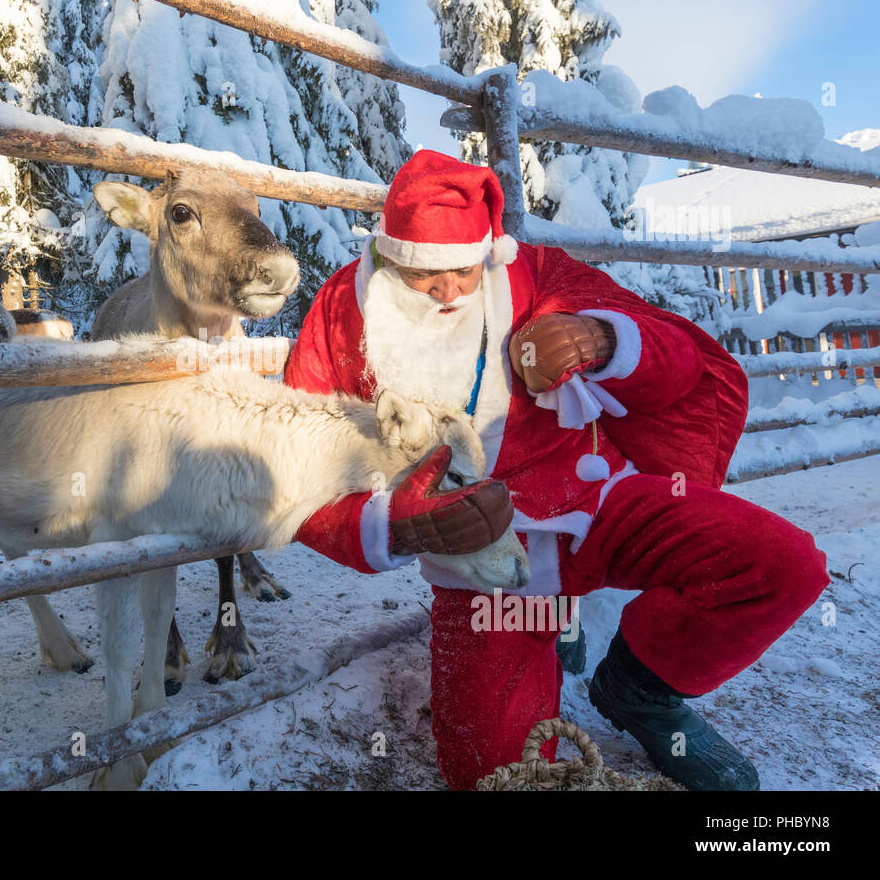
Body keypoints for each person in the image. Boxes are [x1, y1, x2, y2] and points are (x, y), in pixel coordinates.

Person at [282, 149, 829, 790]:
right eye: (425, 275)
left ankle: (641, 690)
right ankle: (550, 625)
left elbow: (677, 352)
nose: (451, 290)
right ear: (389, 253)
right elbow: (302, 463)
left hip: (598, 503)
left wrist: (599, 338)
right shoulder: (342, 314)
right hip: (484, 568)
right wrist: (397, 527)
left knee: (781, 566)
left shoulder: (533, 273)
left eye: (463, 269)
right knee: (495, 771)